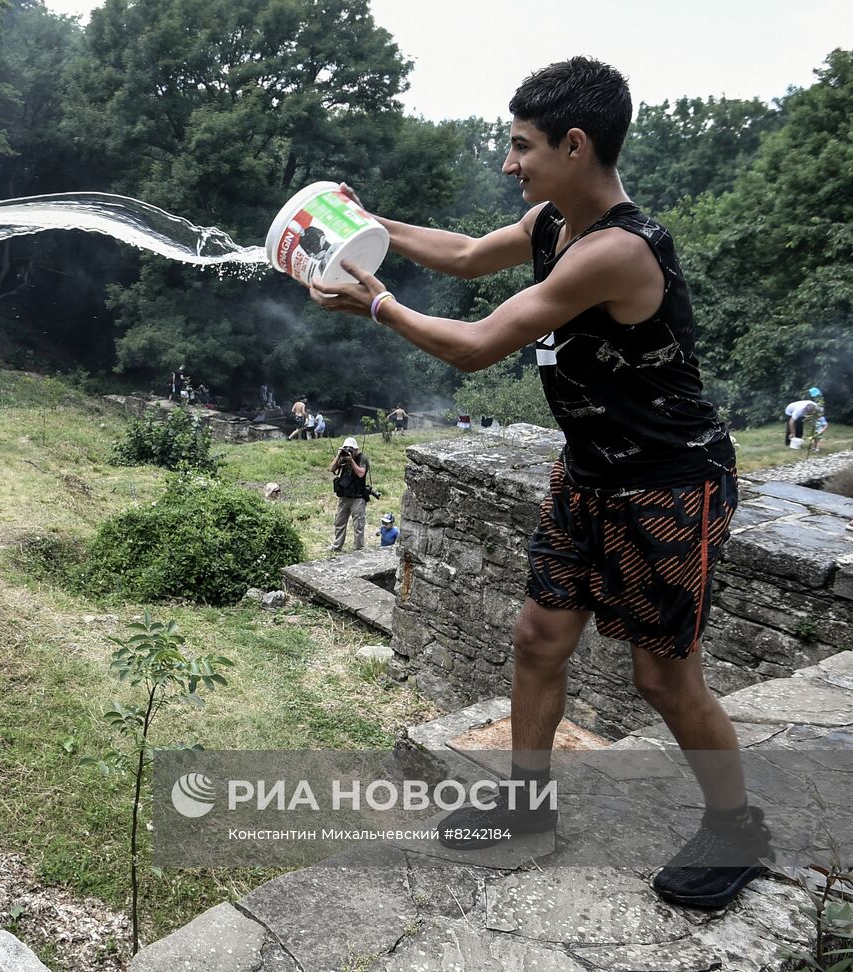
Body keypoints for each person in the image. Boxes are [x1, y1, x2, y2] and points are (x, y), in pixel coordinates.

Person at [308, 57, 766, 908]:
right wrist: (372, 224)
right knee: (535, 640)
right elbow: (471, 255)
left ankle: (738, 827)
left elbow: (480, 342)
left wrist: (376, 305)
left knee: (664, 679)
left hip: (668, 484)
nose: (510, 163)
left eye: (522, 147)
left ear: (576, 143)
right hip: (589, 473)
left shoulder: (619, 251)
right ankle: (525, 809)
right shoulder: (554, 220)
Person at [328, 436, 370, 551]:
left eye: (351, 449)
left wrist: (351, 461)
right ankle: (336, 546)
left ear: (356, 450)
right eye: (346, 448)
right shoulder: (342, 458)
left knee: (358, 525)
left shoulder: (362, 459)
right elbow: (331, 469)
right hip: (344, 497)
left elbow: (361, 473)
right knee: (339, 523)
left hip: (358, 497)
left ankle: (359, 548)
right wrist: (339, 455)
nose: (349, 451)